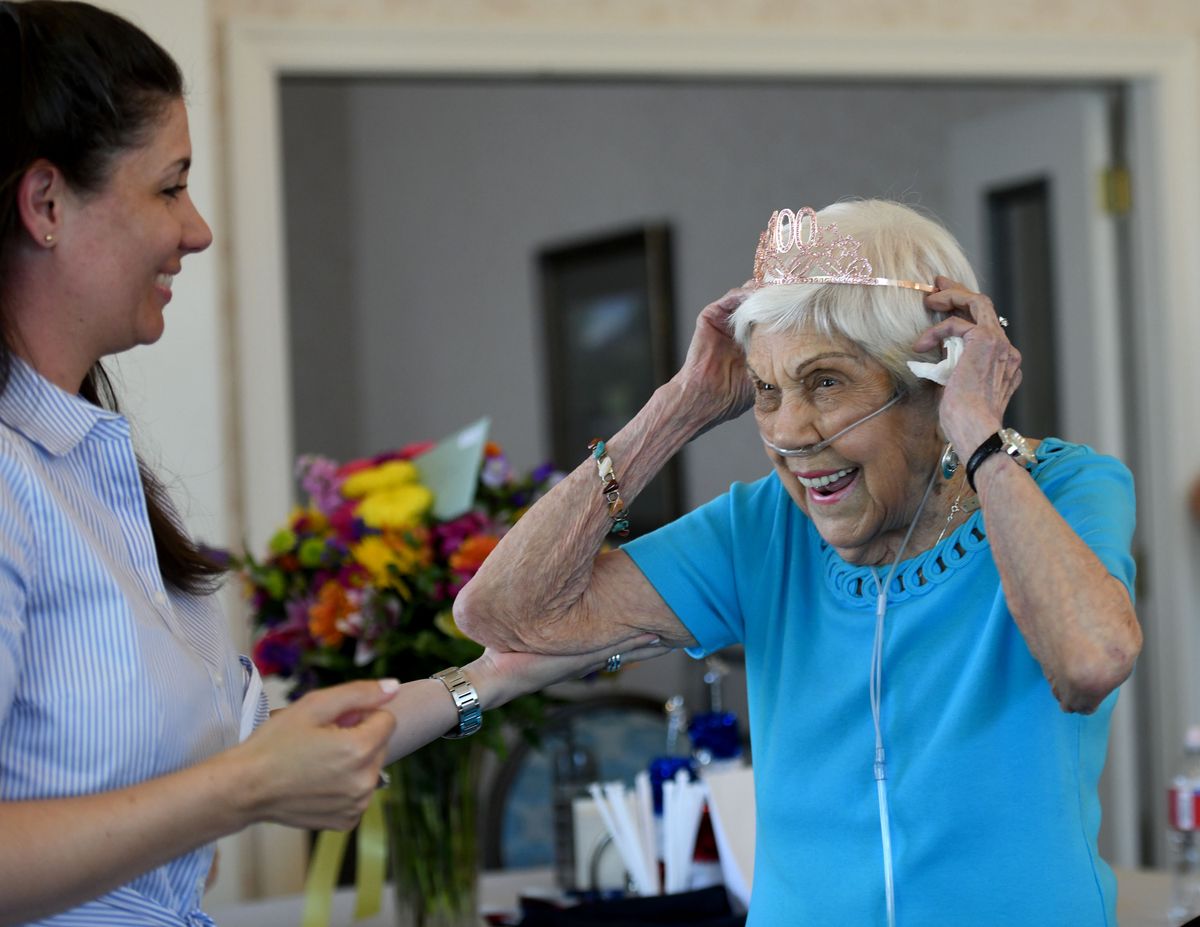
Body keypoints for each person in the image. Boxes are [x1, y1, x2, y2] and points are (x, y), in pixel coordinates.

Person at [0, 4, 664, 925]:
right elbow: (231, 783)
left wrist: (510, 668)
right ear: (45, 205)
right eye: (169, 188)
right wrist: (243, 787)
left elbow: (230, 765)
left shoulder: (84, 469)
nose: (197, 231)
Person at [456, 199, 1143, 926]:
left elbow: (1090, 660)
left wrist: (980, 437)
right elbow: (503, 611)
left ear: (934, 376)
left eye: (824, 382)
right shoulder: (762, 526)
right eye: (765, 390)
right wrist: (679, 407)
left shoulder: (1061, 483)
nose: (787, 432)